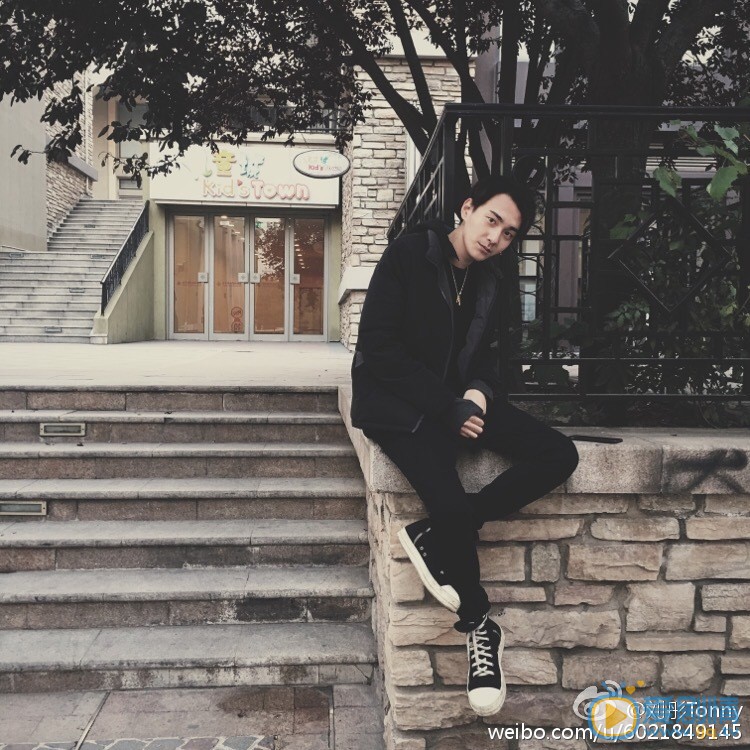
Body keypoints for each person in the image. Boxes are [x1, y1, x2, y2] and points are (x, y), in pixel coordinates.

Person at [349, 174, 579, 717]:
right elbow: (378, 348)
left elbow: (494, 355)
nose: (496, 238)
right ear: (468, 208)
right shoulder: (409, 255)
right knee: (448, 502)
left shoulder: (491, 279)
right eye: (492, 221)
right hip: (399, 409)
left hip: (458, 403)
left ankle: (440, 529)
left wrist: (477, 392)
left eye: (509, 233)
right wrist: (444, 406)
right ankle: (479, 623)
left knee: (559, 454)